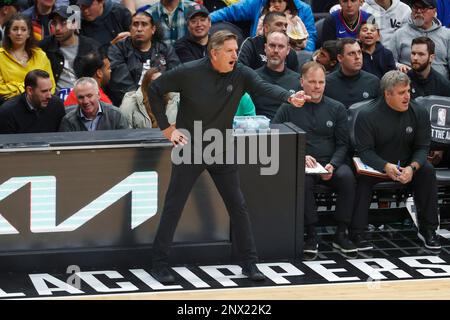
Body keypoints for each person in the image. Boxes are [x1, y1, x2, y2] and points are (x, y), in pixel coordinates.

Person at [146, 30, 308, 284]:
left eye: (236, 50)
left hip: (221, 146)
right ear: (214, 53)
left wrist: (289, 96)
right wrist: (167, 128)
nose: (236, 55)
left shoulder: (240, 72)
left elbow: (264, 87)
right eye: (230, 51)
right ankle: (159, 263)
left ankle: (249, 263)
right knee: (174, 206)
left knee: (238, 206)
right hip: (191, 146)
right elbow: (155, 88)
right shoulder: (189, 72)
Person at [273, 61, 357, 255]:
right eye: (312, 82)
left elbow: (343, 144)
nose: (317, 86)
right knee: (302, 180)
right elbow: (275, 136)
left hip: (330, 161)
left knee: (347, 177)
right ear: (301, 82)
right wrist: (299, 155)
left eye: (321, 82)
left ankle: (341, 232)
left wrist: (333, 165)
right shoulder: (288, 107)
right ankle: (311, 234)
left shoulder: (336, 108)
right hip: (302, 162)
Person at [352, 70, 441, 250]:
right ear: (387, 94)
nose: (407, 96)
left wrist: (412, 168)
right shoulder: (367, 114)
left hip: (407, 165)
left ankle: (428, 229)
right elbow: (365, 151)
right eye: (401, 93)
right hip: (376, 165)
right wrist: (385, 166)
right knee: (361, 179)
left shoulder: (419, 112)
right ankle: (357, 232)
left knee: (427, 171)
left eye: (408, 91)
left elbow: (422, 147)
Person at [108, 10, 180, 106]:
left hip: (161, 99)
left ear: (153, 29)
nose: (139, 29)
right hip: (130, 101)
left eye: (144, 24)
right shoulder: (118, 49)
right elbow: (121, 82)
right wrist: (142, 100)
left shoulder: (166, 49)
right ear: (130, 28)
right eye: (135, 24)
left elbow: (175, 75)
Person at [39, 5, 100, 98]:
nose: (57, 28)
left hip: (85, 97)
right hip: (56, 99)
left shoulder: (91, 46)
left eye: (63, 22)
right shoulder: (44, 46)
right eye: (54, 23)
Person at [209, 0, 317, 51]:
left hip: (294, 53)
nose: (276, 4)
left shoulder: (304, 9)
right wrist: (206, 20)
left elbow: (310, 37)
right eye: (273, 1)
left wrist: (303, 51)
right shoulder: (258, 3)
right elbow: (230, 11)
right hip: (260, 52)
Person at [386, 0, 450, 79]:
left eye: (423, 8)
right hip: (408, 86)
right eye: (415, 7)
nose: (418, 11)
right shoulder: (400, 34)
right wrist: (398, 65)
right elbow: (388, 61)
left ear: (434, 11)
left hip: (440, 86)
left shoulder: (447, 35)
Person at [0, 14, 55, 103]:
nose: (19, 33)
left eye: (23, 29)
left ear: (29, 33)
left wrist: (16, 86)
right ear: (8, 33)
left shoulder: (40, 55)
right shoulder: (0, 56)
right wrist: (30, 88)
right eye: (15, 29)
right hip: (10, 104)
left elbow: (51, 85)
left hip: (39, 103)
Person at [251, 31, 300, 119]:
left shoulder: (298, 80)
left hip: (290, 130)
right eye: (272, 45)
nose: (276, 50)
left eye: (281, 46)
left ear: (288, 50)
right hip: (260, 130)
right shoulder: (252, 78)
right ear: (265, 48)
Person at [0, 69, 65, 133]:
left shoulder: (57, 105)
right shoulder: (8, 113)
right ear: (30, 91)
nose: (49, 96)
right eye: (44, 91)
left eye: (50, 90)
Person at [324, 38, 380, 108]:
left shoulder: (373, 82)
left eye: (359, 52)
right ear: (340, 58)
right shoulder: (327, 83)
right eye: (351, 53)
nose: (357, 57)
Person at [59, 77, 129, 131]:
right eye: (81, 97)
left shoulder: (116, 115)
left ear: (98, 95)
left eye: (89, 96)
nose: (85, 101)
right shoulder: (68, 121)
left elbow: (126, 143)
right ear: (76, 98)